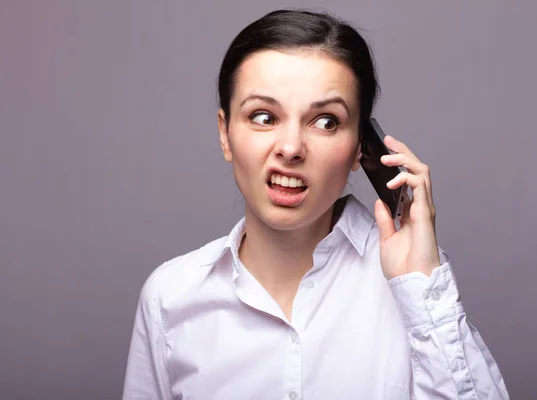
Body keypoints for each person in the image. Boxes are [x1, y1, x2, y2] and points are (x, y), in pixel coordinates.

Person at [123, 9, 509, 400]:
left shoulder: (410, 282)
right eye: (263, 116)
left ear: (361, 145)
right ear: (225, 133)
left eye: (325, 122)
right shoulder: (170, 298)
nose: (290, 148)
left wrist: (422, 286)